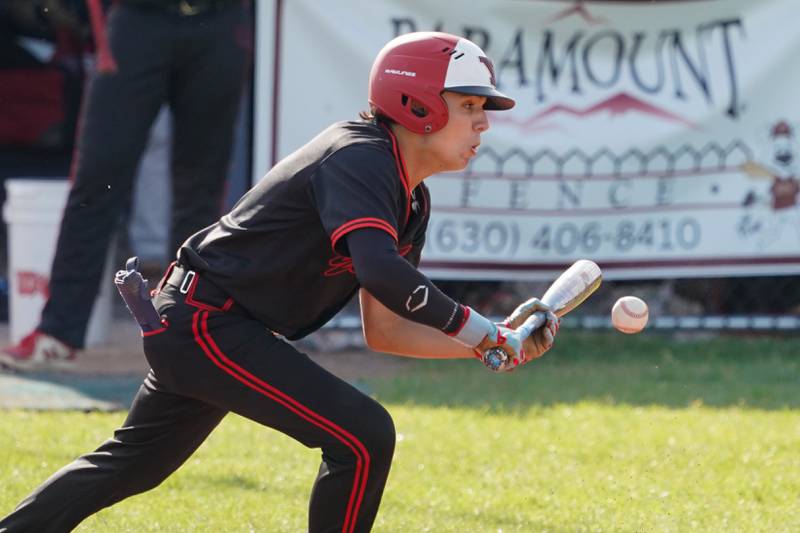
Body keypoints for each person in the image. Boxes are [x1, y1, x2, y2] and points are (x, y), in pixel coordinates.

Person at [0, 31, 559, 532]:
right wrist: (481, 329)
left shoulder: (410, 194)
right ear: (416, 106)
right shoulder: (362, 158)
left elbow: (385, 330)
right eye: (467, 105)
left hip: (209, 322)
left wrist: (490, 346)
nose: (483, 121)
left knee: (128, 468)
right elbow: (382, 273)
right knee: (363, 437)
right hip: (205, 321)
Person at [0, 0, 251, 370]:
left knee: (202, 183)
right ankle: (59, 333)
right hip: (139, 19)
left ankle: (190, 329)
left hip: (219, 19)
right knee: (98, 174)